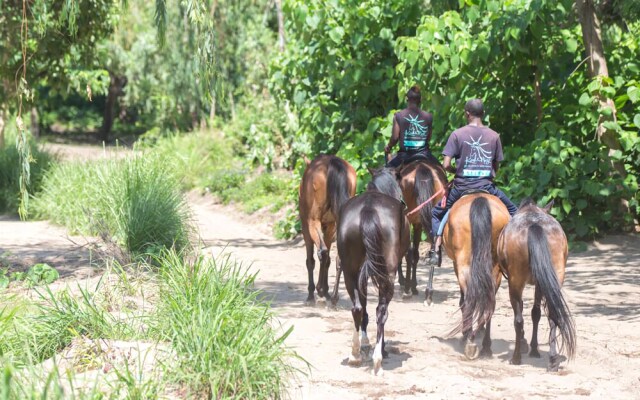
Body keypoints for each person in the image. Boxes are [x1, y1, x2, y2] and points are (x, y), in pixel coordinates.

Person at [428, 98, 518, 265]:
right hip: (487, 187)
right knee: (516, 212)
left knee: (436, 213)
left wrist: (458, 172)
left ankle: (436, 250)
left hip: (462, 188)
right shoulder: (494, 136)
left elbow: (446, 164)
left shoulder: (457, 134)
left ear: (467, 114)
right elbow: (495, 166)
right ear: (483, 114)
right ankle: (516, 251)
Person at [384, 85, 438, 167]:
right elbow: (428, 138)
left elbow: (395, 138)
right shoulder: (428, 116)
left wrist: (389, 146)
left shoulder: (398, 115)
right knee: (441, 169)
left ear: (407, 99)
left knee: (387, 172)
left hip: (404, 156)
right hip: (424, 155)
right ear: (420, 100)